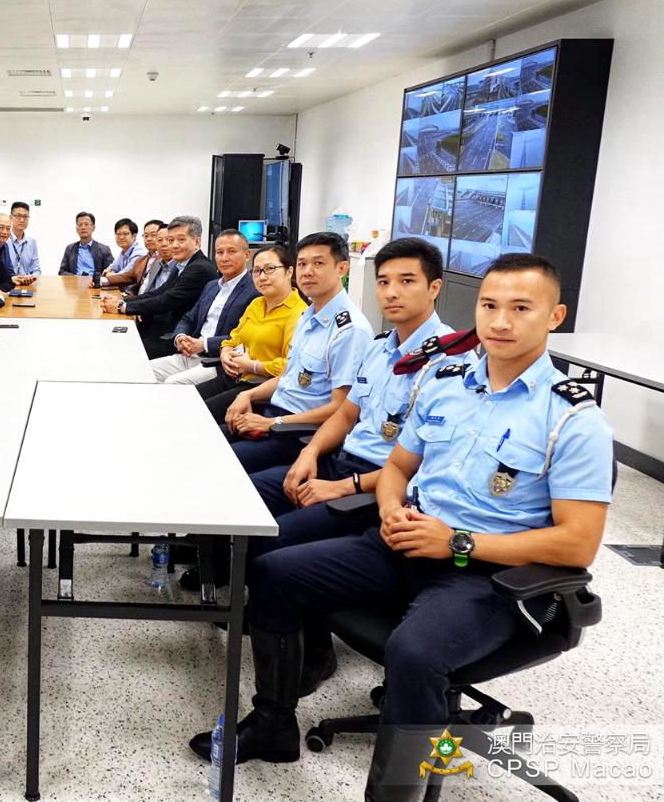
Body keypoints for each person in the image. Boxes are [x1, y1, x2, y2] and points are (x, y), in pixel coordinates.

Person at [199, 254, 613, 802]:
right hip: (404, 541)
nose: (500, 322)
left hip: (485, 574)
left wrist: (458, 542)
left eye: (521, 309)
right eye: (490, 305)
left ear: (554, 316)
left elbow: (578, 543)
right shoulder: (447, 384)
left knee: (414, 653)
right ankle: (273, 725)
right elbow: (397, 467)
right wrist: (391, 508)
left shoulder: (574, 419)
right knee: (274, 571)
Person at [219, 232, 373, 474]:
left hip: (297, 433)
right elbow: (288, 376)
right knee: (201, 437)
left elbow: (341, 408)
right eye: (302, 264)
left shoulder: (350, 330)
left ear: (342, 268)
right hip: (274, 414)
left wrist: (272, 423)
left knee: (215, 461)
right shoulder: (308, 317)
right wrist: (248, 395)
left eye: (318, 263)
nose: (307, 271)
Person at [197, 245, 306, 423]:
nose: (262, 277)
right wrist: (225, 354)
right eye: (256, 271)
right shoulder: (256, 304)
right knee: (184, 401)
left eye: (270, 269)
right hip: (233, 377)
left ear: (289, 272)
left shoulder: (298, 313)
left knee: (196, 415)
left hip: (261, 388)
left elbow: (290, 367)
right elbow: (233, 339)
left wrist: (252, 366)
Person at [102, 215, 218, 358]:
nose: (174, 245)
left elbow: (167, 300)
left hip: (178, 336)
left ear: (197, 241)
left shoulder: (199, 268)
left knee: (122, 350)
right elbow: (158, 292)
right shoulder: (182, 264)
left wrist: (123, 307)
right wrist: (122, 302)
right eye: (171, 240)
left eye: (181, 240)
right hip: (164, 326)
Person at [148, 230, 255, 385]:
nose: (224, 258)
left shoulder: (254, 291)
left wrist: (204, 344)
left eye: (231, 252)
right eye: (220, 252)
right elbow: (189, 318)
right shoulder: (212, 286)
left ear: (247, 255)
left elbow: (245, 337)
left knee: (173, 383)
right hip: (190, 355)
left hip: (217, 361)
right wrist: (180, 337)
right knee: (143, 370)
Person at [58, 211, 114, 278]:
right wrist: (75, 277)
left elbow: (111, 271)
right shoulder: (70, 248)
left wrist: (95, 279)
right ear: (76, 229)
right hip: (75, 283)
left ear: (93, 228)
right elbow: (62, 271)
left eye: (86, 224)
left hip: (95, 283)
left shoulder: (104, 249)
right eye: (80, 224)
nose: (83, 227)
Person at [99, 218, 147, 288]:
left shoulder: (139, 253)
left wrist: (110, 274)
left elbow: (125, 275)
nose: (121, 237)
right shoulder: (124, 251)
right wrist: (109, 273)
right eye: (118, 234)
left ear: (134, 236)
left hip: (134, 292)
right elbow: (110, 268)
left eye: (125, 234)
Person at [131, 220, 175, 296]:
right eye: (160, 240)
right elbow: (150, 293)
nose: (163, 244)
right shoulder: (158, 264)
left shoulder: (182, 267)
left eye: (169, 240)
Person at [3, 201, 42, 277]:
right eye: (18, 216)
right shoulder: (4, 240)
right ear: (10, 218)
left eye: (25, 216)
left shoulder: (32, 242)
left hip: (27, 282)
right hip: (8, 282)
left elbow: (36, 269)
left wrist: (32, 277)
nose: (22, 220)